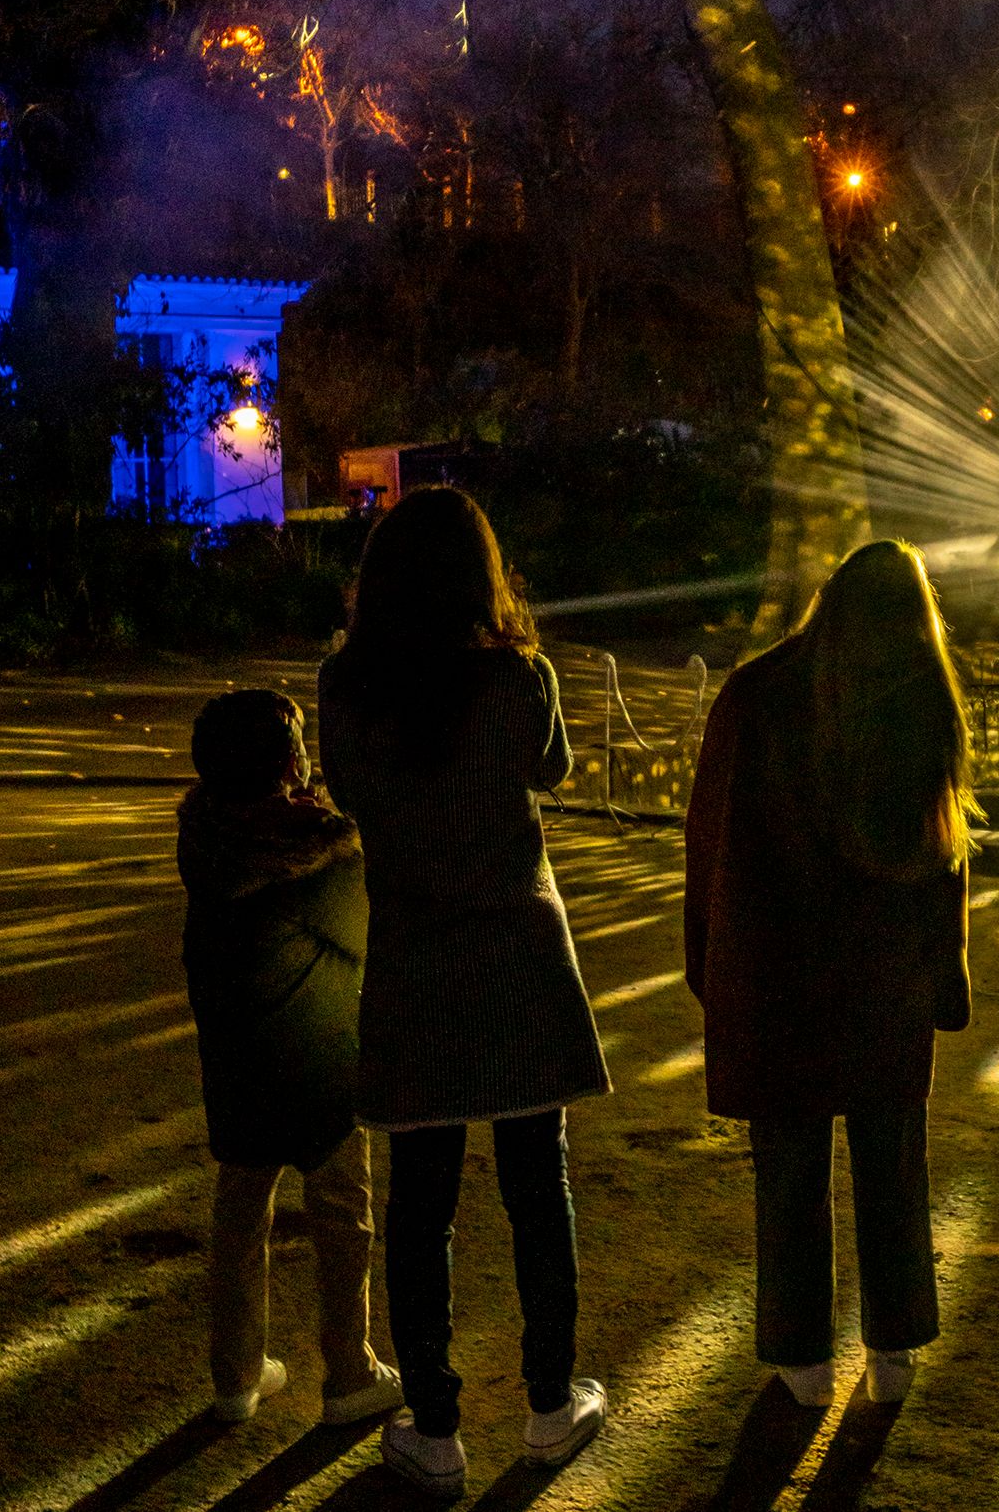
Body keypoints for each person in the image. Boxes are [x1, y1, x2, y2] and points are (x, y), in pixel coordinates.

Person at [317, 489, 610, 1495]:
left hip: (417, 963)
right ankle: (547, 1403)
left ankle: (434, 1426)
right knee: (539, 1190)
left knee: (421, 1206)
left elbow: (349, 795)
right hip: (521, 960)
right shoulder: (519, 678)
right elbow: (555, 767)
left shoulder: (346, 689)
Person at [684, 539, 976, 1409]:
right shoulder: (923, 694)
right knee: (893, 1162)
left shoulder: (759, 692)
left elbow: (711, 837)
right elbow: (944, 848)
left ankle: (800, 1355)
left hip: (778, 970)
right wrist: (943, 970)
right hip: (883, 971)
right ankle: (894, 1348)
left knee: (788, 1167)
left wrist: (710, 960)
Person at [178, 689, 404, 1427]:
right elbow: (365, 937)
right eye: (300, 742)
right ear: (285, 765)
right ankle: (349, 1370)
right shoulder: (315, 850)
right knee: (343, 1213)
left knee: (242, 1211)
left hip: (236, 1062)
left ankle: (236, 1374)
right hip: (318, 1062)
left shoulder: (208, 840)